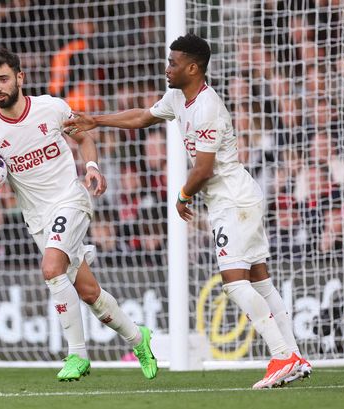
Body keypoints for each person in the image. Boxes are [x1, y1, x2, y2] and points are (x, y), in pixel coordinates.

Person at [64, 33, 312, 389]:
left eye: (173, 63)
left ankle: (281, 355)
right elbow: (143, 116)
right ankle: (295, 355)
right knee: (260, 278)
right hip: (238, 198)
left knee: (234, 282)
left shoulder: (207, 107)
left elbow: (204, 169)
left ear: (193, 67)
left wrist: (181, 197)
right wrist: (97, 121)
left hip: (233, 202)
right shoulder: (178, 97)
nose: (167, 69)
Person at [0, 47, 157, 382]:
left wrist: (91, 167)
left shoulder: (51, 107)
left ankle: (77, 355)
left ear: (20, 77)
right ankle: (138, 338)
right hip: (37, 219)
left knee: (51, 268)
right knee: (89, 293)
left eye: (3, 78)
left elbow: (84, 138)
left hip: (71, 200)